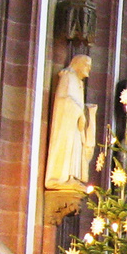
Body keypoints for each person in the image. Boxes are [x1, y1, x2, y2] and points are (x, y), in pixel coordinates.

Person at [43, 55, 96, 189]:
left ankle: (72, 176)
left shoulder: (78, 82)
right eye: (87, 65)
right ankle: (61, 177)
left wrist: (82, 114)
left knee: (76, 147)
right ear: (78, 64)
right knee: (67, 146)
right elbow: (64, 99)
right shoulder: (68, 77)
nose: (88, 69)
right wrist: (79, 113)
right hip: (67, 124)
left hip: (75, 124)